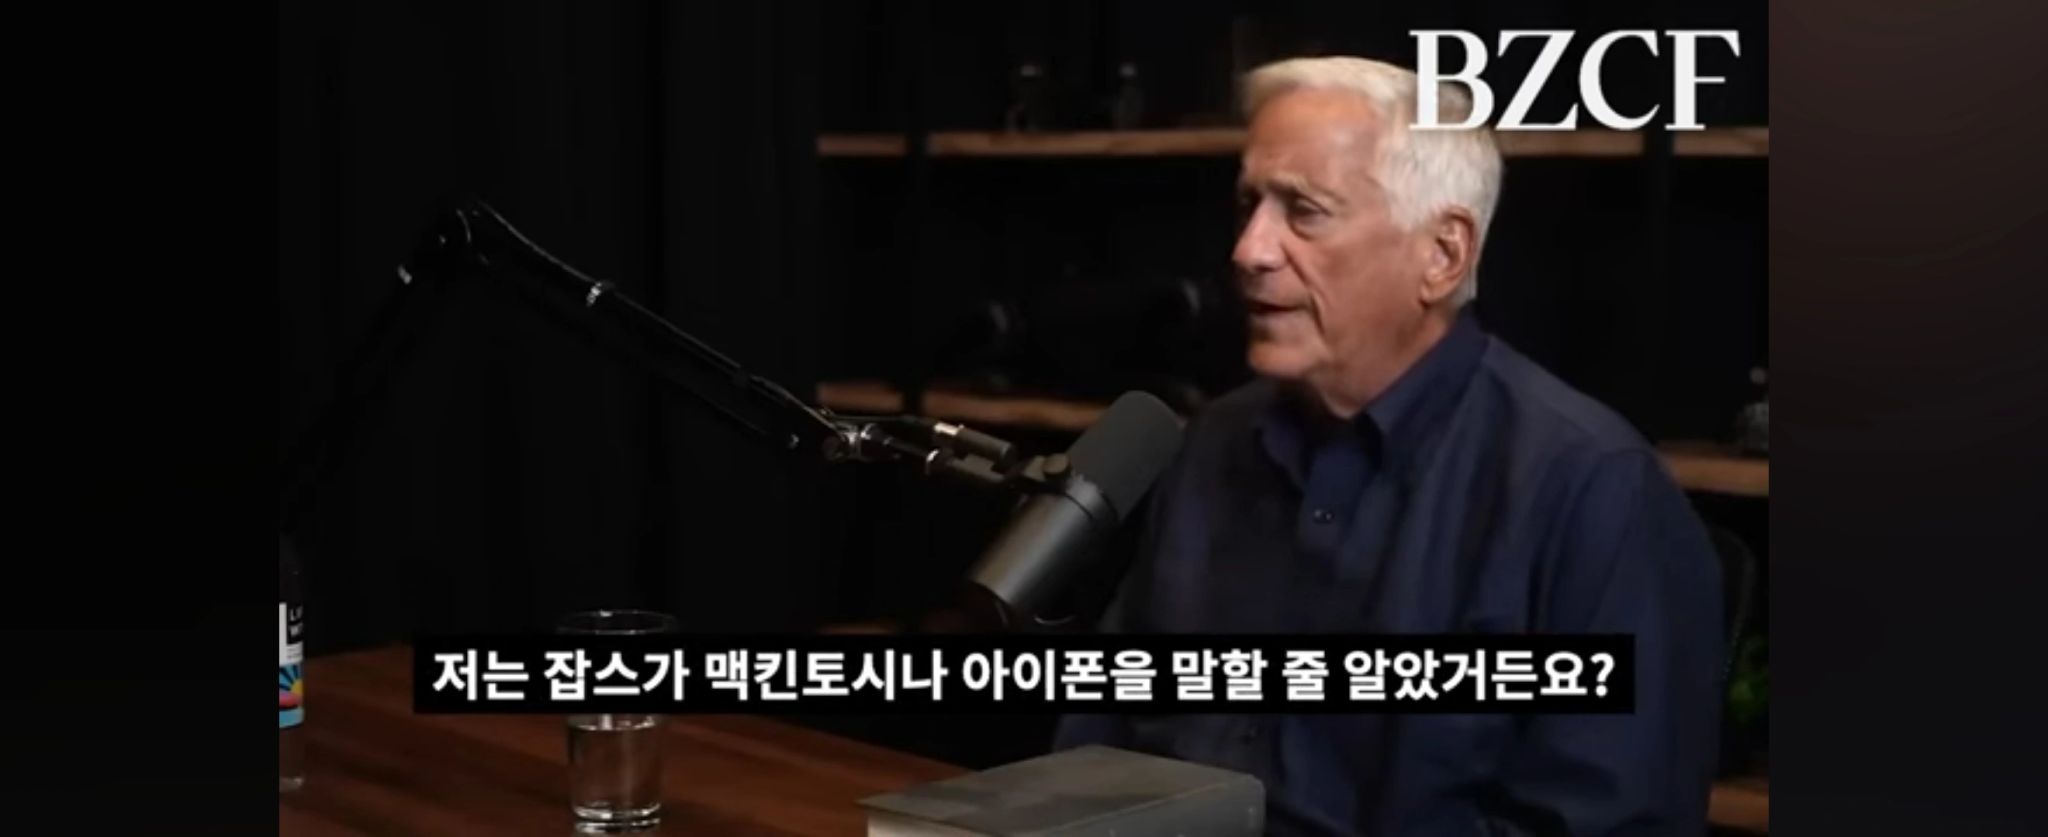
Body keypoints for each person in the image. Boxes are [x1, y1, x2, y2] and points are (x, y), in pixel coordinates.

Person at [1054, 56, 1726, 836]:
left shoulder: (1593, 490)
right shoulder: (1211, 445)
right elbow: (1102, 731)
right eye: (1248, 204)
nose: (1249, 249)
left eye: (1304, 211)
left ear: (1442, 254)